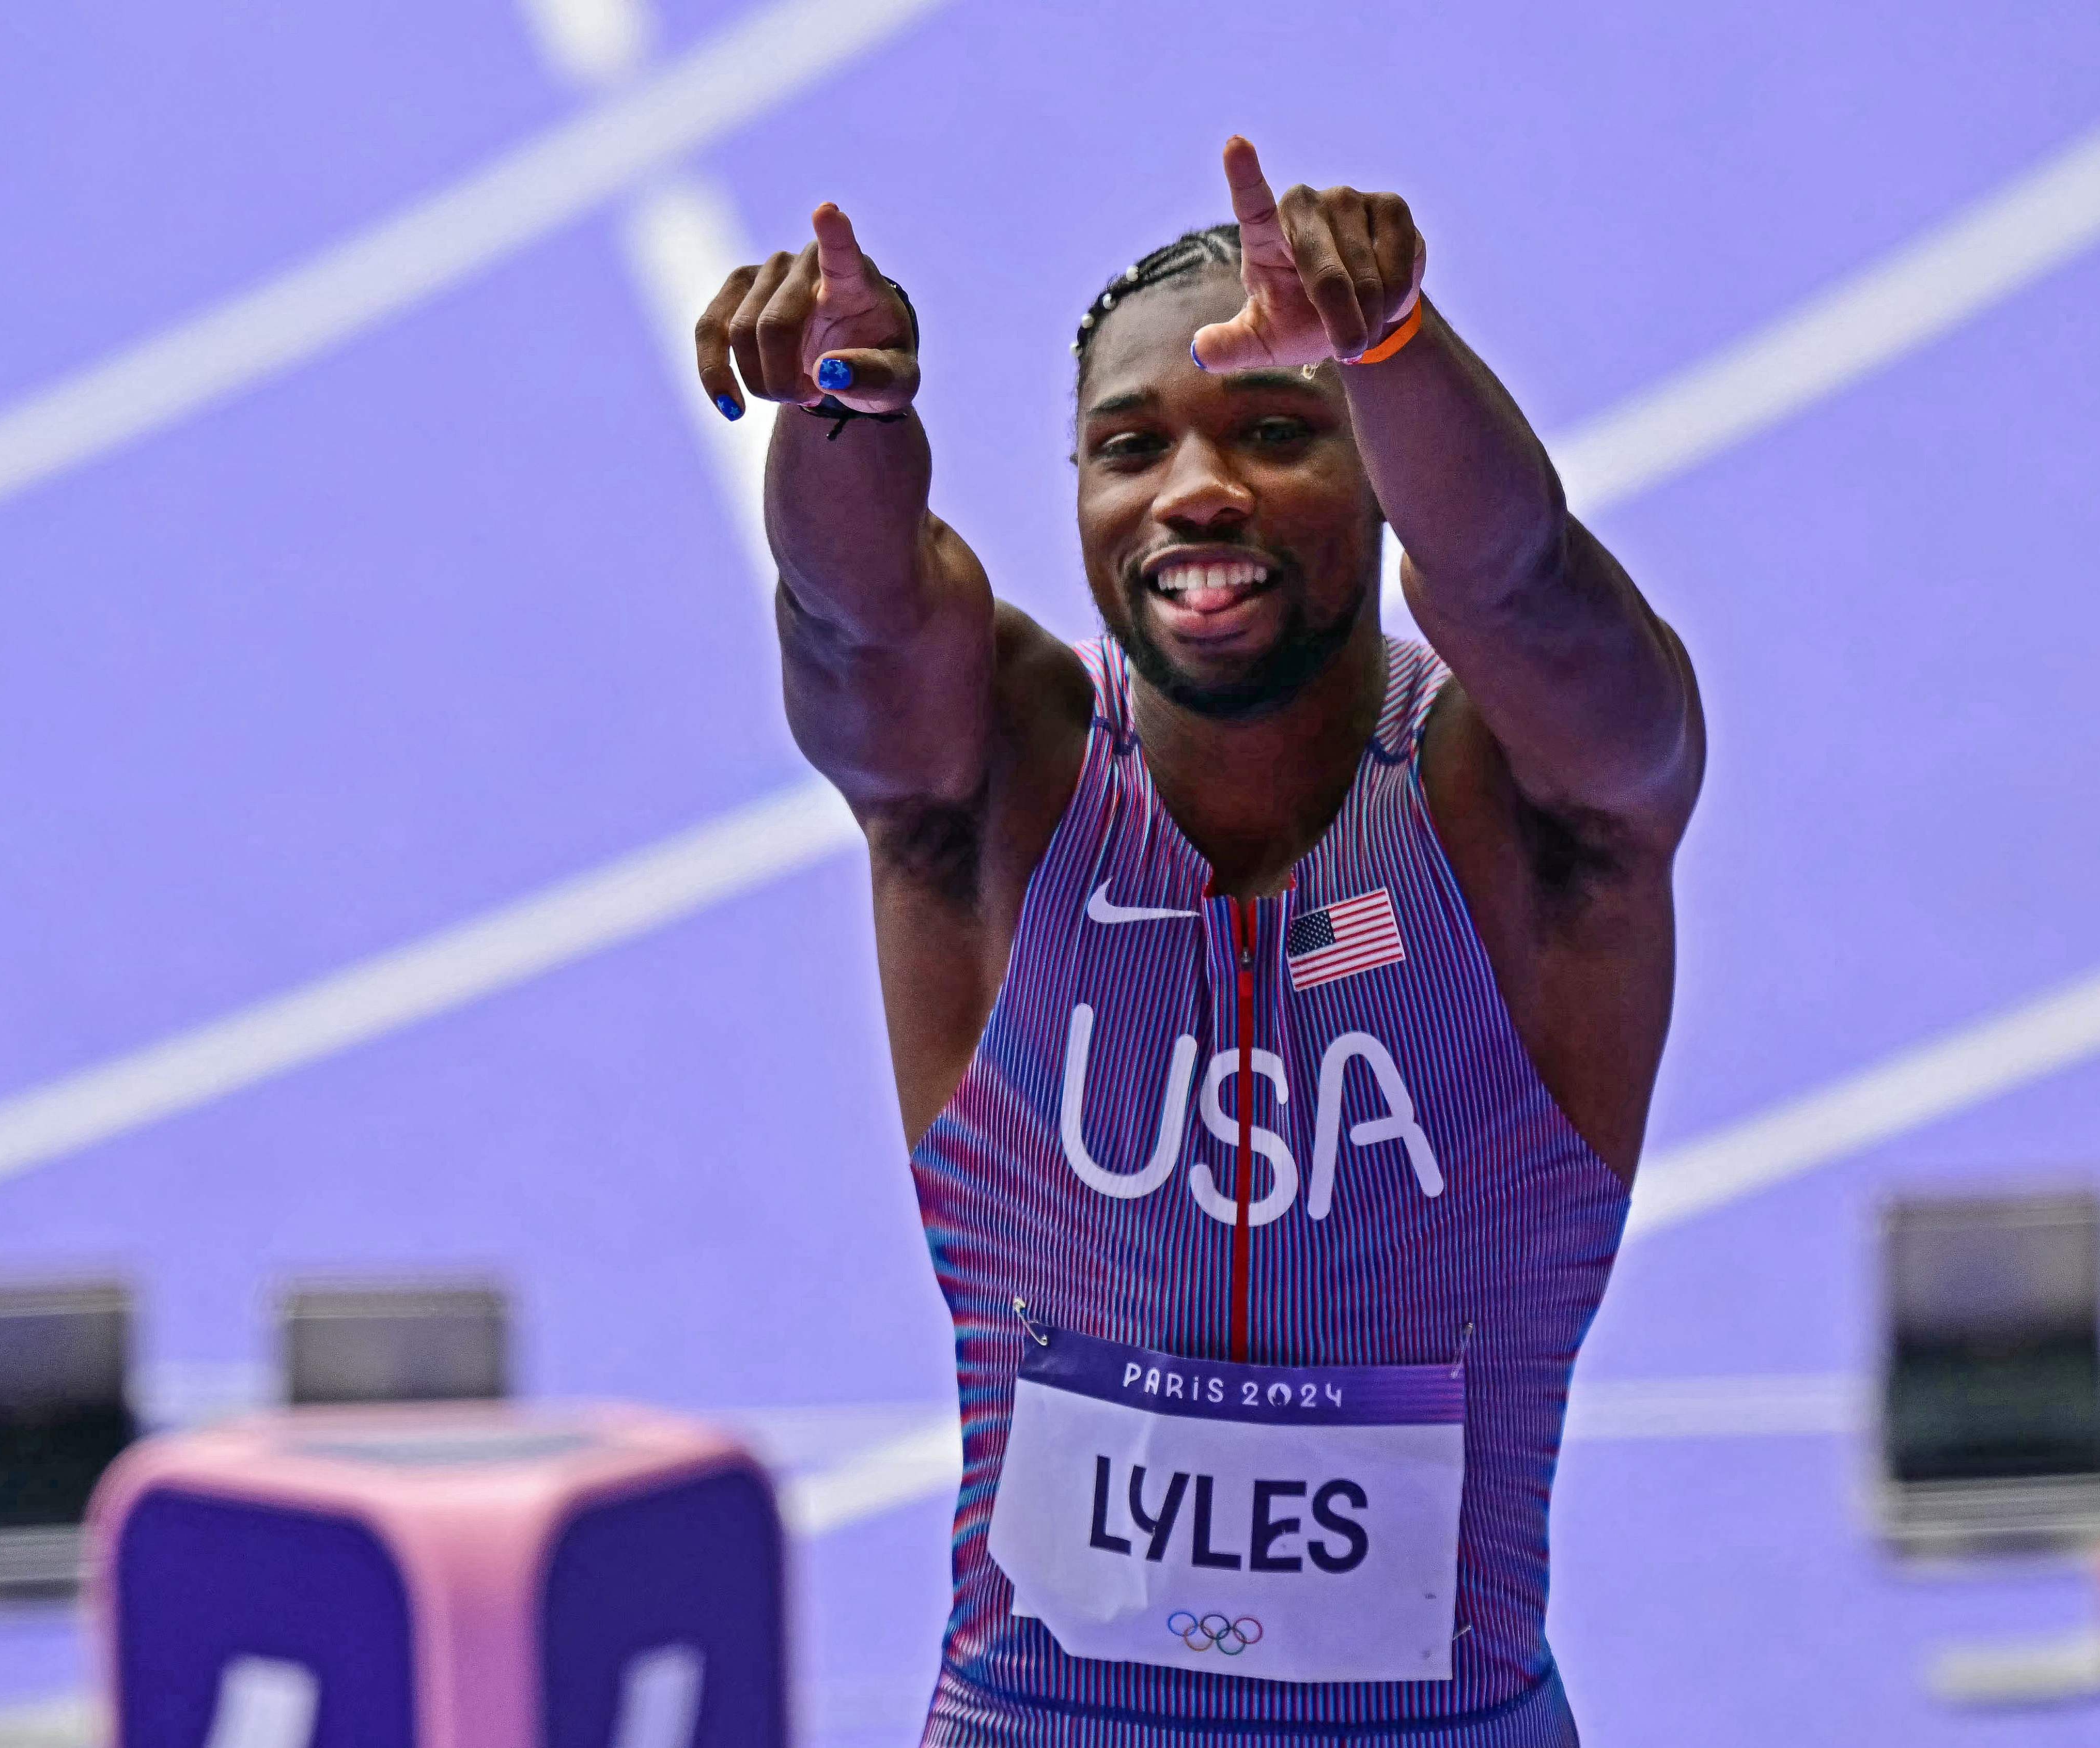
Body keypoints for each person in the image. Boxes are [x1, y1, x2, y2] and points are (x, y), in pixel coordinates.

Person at [695, 137, 1702, 1746]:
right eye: (1127, 445)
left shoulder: (1529, 816)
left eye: (1275, 432)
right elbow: (856, 614)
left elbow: (1516, 578)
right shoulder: (994, 790)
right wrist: (849, 410)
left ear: (1380, 478)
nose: (1195, 490)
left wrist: (1388, 345)